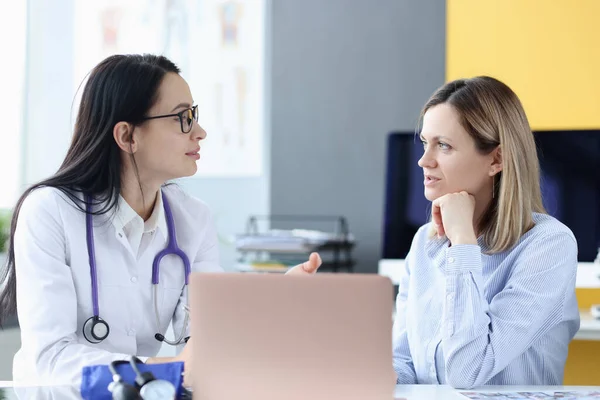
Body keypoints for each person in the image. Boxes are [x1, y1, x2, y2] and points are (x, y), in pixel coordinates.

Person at [0, 54, 322, 385]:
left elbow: (204, 339)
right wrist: (167, 368)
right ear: (127, 137)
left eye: (194, 116)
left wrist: (278, 303)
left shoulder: (192, 219)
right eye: (182, 118)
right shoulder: (49, 212)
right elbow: (50, 360)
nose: (200, 132)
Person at [392, 76, 579, 389]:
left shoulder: (548, 245)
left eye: (444, 146)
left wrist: (463, 243)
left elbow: (468, 373)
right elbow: (405, 360)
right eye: (425, 143)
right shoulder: (424, 241)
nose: (424, 160)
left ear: (496, 159)